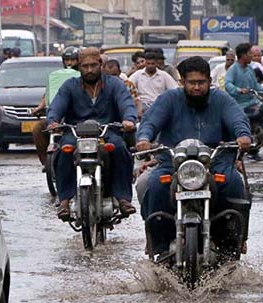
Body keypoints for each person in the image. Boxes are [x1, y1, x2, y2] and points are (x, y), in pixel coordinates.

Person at [136, 56, 252, 255]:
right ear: (182, 82)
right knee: (153, 185)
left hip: (215, 161)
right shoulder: (169, 99)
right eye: (192, 83)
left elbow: (237, 118)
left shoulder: (221, 99)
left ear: (209, 81)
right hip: (173, 162)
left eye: (201, 82)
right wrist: (144, 138)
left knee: (234, 182)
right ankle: (158, 243)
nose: (196, 87)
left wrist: (243, 136)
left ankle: (234, 239)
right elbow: (150, 122)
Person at [47, 47, 138, 220]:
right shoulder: (69, 86)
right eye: (85, 66)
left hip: (107, 132)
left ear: (101, 65)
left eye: (93, 65)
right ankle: (64, 200)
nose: (89, 70)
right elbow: (57, 106)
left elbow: (126, 104)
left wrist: (129, 120)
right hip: (76, 133)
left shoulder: (114, 84)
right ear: (79, 67)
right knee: (64, 150)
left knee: (119, 148)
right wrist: (53, 121)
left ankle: (123, 198)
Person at [31, 46, 81, 168]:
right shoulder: (55, 77)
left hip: (79, 118)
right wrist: (39, 108)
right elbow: (47, 95)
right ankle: (46, 164)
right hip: (58, 118)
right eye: (67, 60)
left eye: (72, 60)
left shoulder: (85, 76)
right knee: (38, 129)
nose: (69, 63)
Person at [128, 51, 177, 117]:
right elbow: (127, 85)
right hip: (142, 105)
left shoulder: (163, 75)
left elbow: (175, 89)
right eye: (148, 63)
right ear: (145, 63)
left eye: (152, 64)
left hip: (159, 105)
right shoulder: (138, 74)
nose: (150, 66)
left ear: (156, 64)